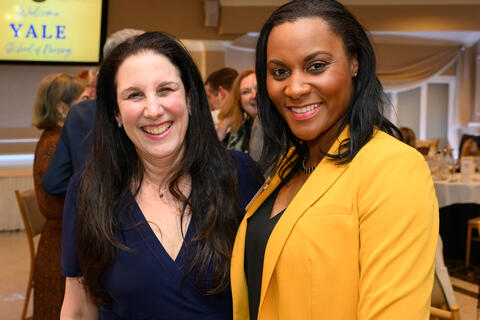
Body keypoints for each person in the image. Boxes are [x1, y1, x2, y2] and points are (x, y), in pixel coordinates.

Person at [230, 1, 439, 319]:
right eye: (280, 72)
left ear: (354, 62)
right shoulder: (288, 164)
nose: (295, 88)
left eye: (316, 66)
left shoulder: (393, 166)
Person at [60, 32, 261, 319]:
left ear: (190, 99)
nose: (153, 110)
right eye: (134, 95)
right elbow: (79, 308)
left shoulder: (242, 177)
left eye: (165, 89)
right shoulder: (89, 190)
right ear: (116, 113)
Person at [42, 28, 145, 198]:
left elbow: (53, 182)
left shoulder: (79, 113)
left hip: (91, 218)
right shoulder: (152, 113)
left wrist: (93, 196)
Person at [31, 73, 84, 319]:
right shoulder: (55, 144)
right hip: (60, 244)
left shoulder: (54, 138)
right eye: (82, 100)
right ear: (63, 108)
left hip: (59, 239)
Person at [217, 69, 259, 153]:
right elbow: (214, 157)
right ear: (239, 101)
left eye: (258, 88)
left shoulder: (283, 127)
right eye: (246, 92)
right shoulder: (239, 131)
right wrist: (224, 126)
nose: (254, 95)